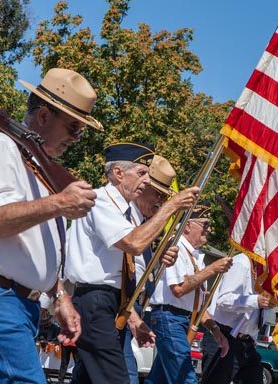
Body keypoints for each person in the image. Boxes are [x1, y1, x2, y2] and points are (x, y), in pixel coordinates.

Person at [0, 67, 102, 383]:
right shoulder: (0, 146)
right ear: (43, 116)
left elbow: (35, 243)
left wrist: (59, 296)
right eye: (73, 127)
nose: (76, 138)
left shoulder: (35, 167)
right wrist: (60, 202)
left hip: (10, 301)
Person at [65, 143, 201, 384]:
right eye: (142, 174)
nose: (148, 181)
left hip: (112, 304)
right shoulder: (101, 202)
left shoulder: (125, 212)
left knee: (88, 379)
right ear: (118, 173)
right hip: (94, 302)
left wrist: (134, 320)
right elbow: (133, 244)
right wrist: (171, 207)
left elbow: (127, 266)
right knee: (118, 378)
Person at [145, 203, 233, 384]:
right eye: (205, 224)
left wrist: (215, 330)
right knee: (185, 378)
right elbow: (178, 289)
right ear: (187, 226)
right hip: (169, 317)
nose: (209, 229)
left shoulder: (196, 256)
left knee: (159, 379)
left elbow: (198, 303)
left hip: (183, 319)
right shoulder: (174, 247)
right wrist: (212, 269)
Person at [123, 154, 177, 384]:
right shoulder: (124, 219)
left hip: (130, 307)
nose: (160, 202)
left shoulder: (142, 224)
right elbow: (118, 273)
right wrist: (132, 317)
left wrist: (157, 259)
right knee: (125, 376)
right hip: (115, 306)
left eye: (165, 198)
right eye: (158, 194)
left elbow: (138, 269)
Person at [200, 252, 272, 384]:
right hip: (223, 336)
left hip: (247, 343)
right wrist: (255, 301)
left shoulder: (265, 271)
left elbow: (256, 314)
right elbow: (223, 300)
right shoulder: (241, 262)